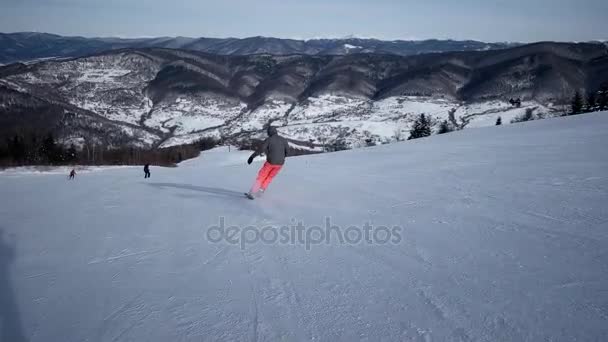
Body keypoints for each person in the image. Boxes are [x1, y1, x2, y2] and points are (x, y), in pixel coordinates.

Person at [246, 126, 289, 199]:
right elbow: (287, 151)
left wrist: (252, 157)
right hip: (280, 163)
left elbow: (261, 149)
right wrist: (282, 157)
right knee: (270, 177)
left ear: (269, 132)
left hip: (271, 162)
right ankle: (261, 191)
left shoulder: (269, 140)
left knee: (262, 176)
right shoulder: (284, 140)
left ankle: (253, 192)